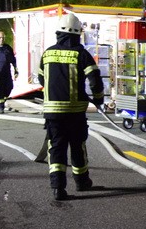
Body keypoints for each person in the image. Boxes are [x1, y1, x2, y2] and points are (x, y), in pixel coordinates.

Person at [38, 12, 104, 201]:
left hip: (52, 112)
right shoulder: (81, 54)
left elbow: (41, 77)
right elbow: (95, 80)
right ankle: (82, 182)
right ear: (77, 33)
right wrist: (98, 99)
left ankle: (58, 188)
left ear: (59, 32)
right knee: (77, 146)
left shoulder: (48, 53)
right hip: (75, 112)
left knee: (56, 148)